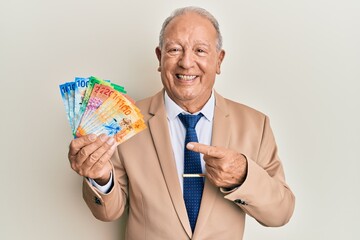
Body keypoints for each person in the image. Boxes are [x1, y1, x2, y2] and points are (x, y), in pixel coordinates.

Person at [68, 6, 295, 240]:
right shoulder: (124, 121)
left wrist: (243, 176)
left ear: (219, 60)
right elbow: (109, 211)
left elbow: (280, 213)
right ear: (159, 57)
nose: (186, 63)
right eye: (175, 49)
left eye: (200, 50)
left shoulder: (256, 125)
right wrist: (100, 178)